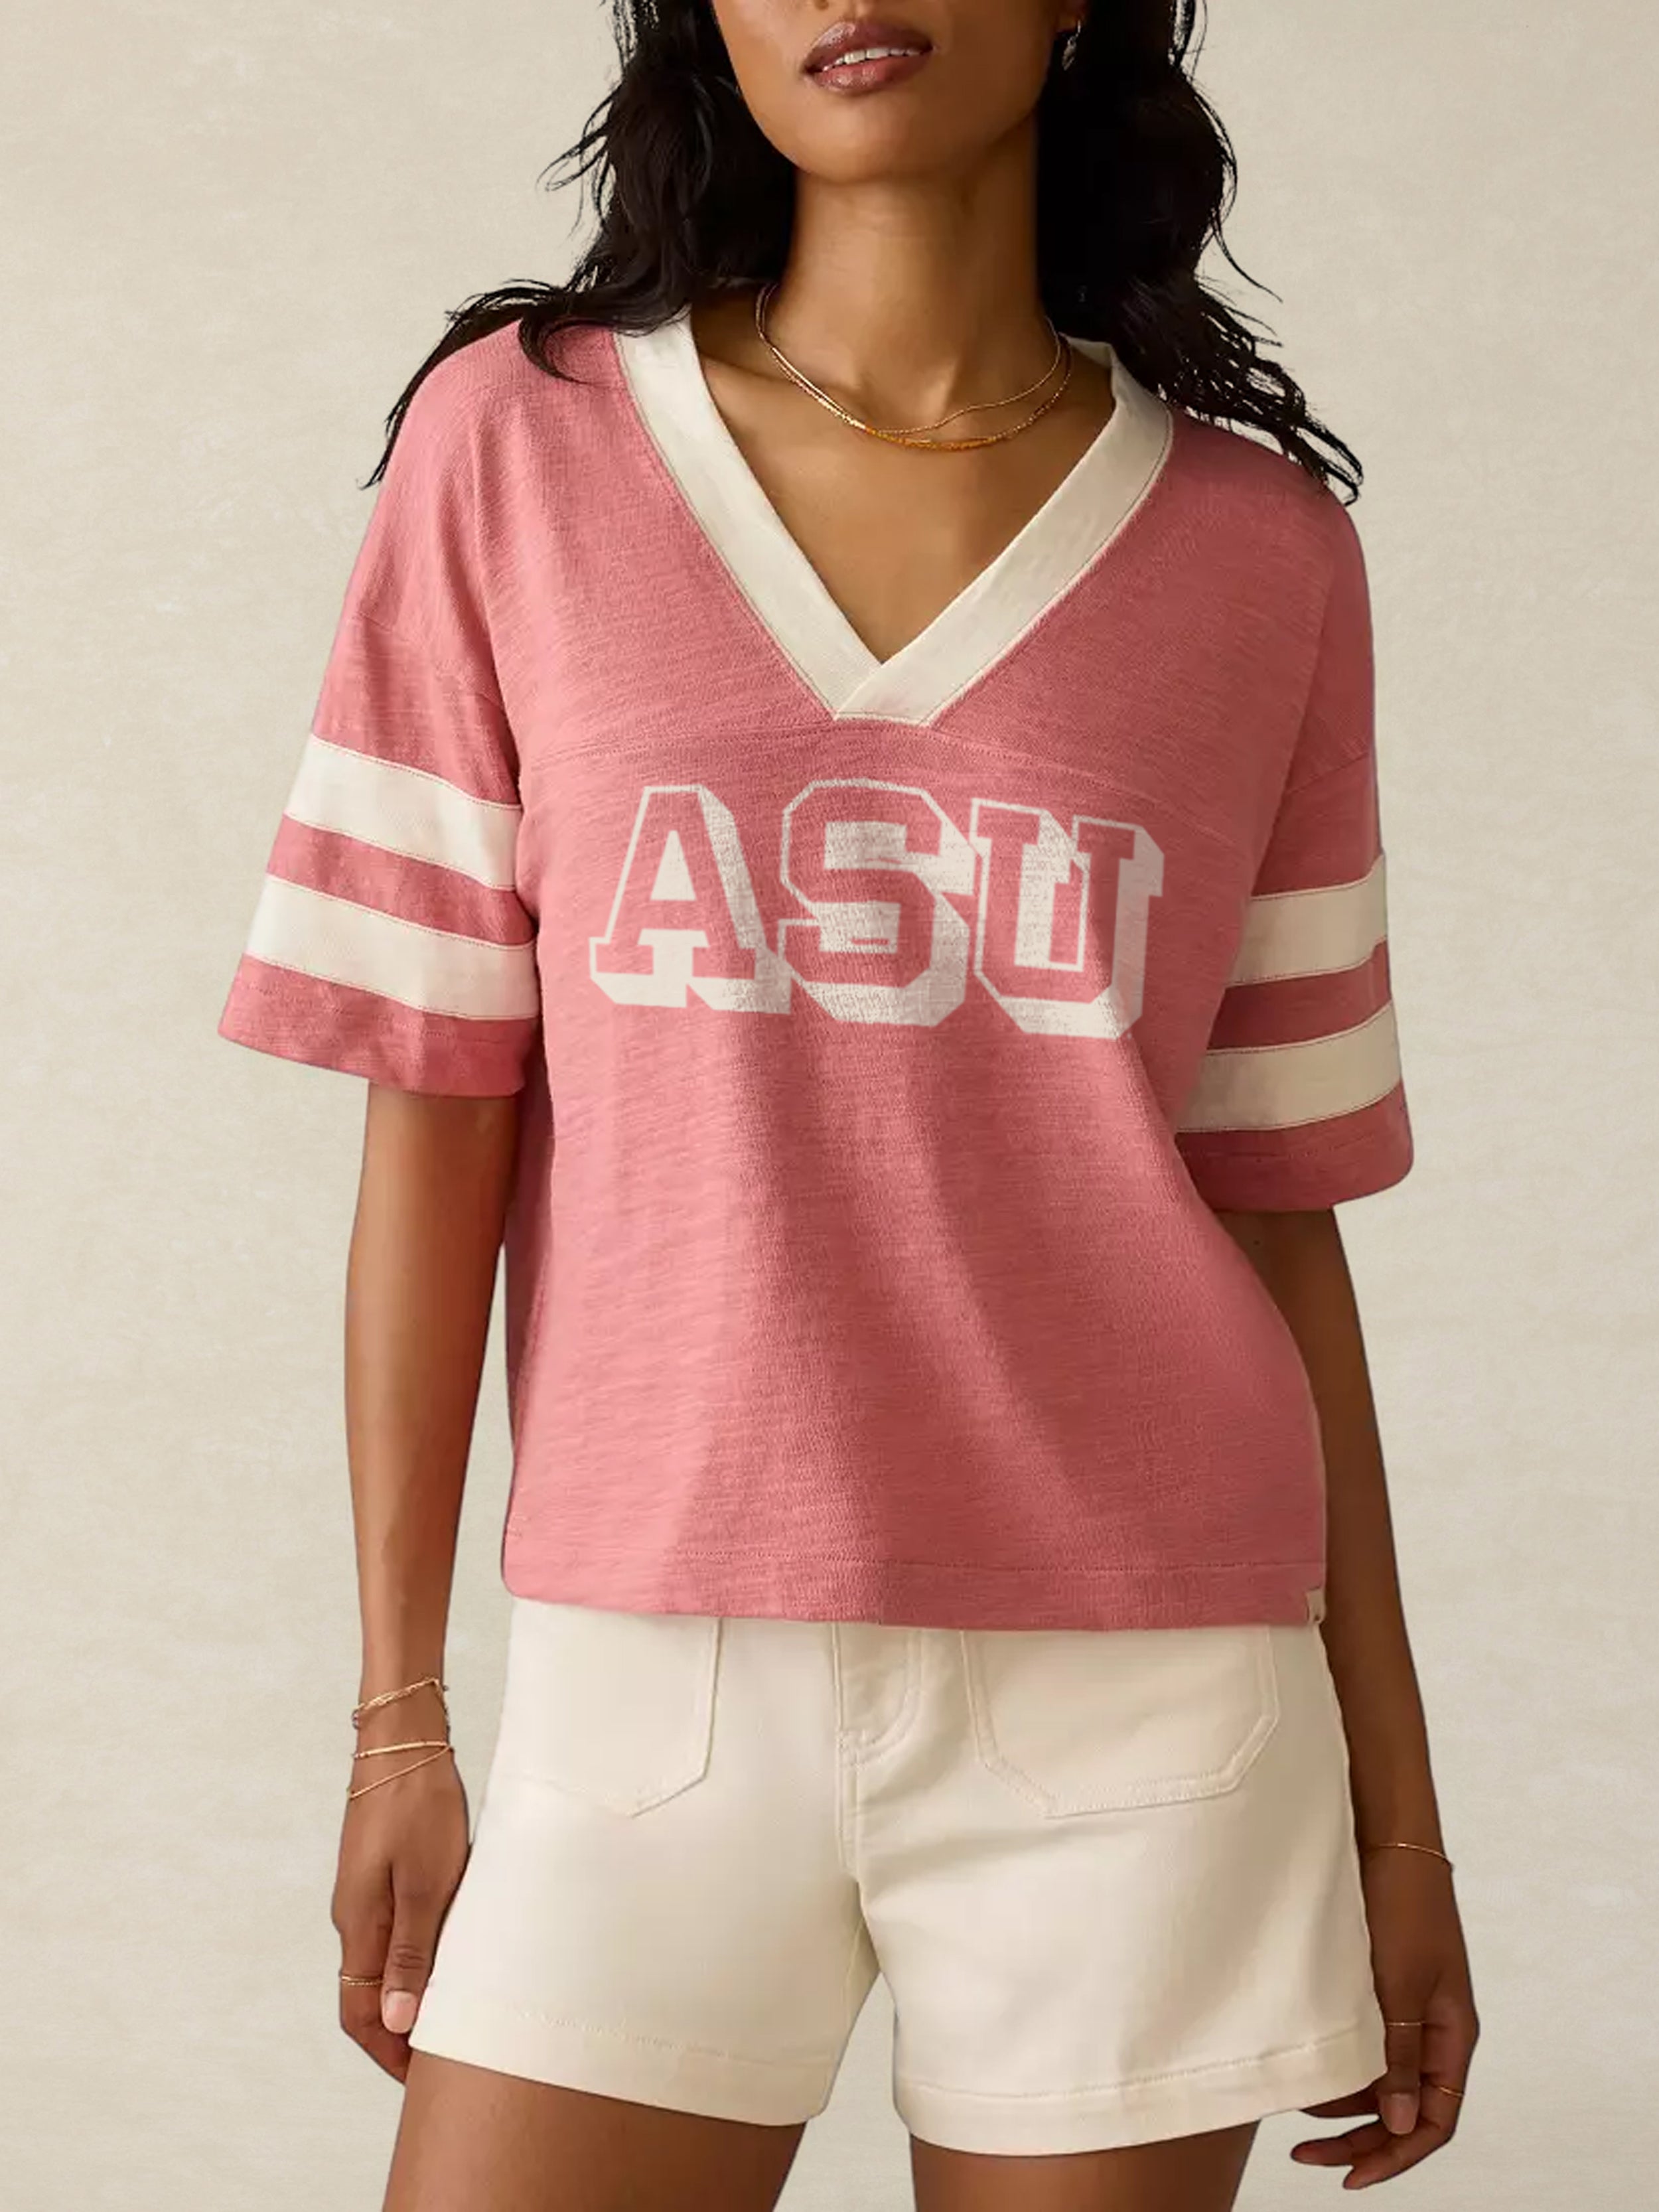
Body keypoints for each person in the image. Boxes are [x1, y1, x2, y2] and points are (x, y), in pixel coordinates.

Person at [218, 0, 1479, 2204]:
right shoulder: (516, 447)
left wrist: (1397, 1815)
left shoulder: (1259, 554)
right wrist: (396, 1711)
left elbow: (1270, 1208)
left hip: (1152, 1690)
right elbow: (433, 1105)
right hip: (651, 1668)